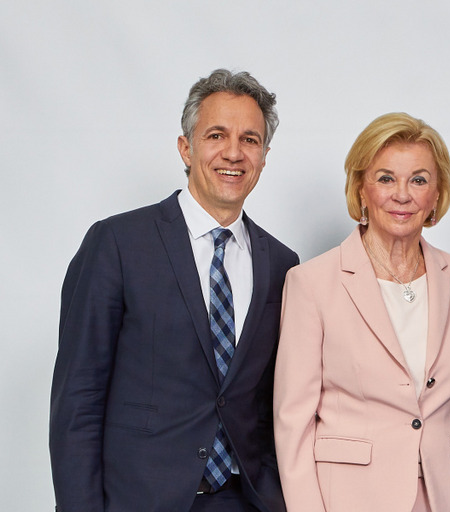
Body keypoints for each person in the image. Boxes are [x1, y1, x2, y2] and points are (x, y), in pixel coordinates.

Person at [50, 69, 298, 512]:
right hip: (140, 500)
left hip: (246, 501)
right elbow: (78, 401)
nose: (234, 153)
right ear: (186, 147)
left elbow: (272, 404)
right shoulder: (117, 244)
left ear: (264, 156)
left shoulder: (282, 265)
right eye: (216, 135)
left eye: (250, 139)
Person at [273, 112, 450, 512]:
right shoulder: (311, 282)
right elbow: (291, 423)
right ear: (361, 189)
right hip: (351, 499)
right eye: (386, 178)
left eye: (418, 179)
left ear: (437, 194)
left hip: (446, 497)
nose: (402, 194)